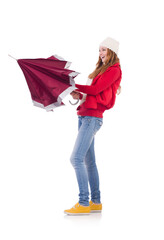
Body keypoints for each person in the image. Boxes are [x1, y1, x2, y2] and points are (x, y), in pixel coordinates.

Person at [64, 37, 122, 215]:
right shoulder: (100, 70)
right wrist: (77, 94)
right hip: (84, 116)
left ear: (112, 52)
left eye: (104, 50)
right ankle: (95, 202)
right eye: (99, 50)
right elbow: (91, 96)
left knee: (76, 159)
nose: (101, 53)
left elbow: (96, 91)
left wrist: (73, 84)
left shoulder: (114, 70)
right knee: (89, 162)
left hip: (91, 118)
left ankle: (83, 203)